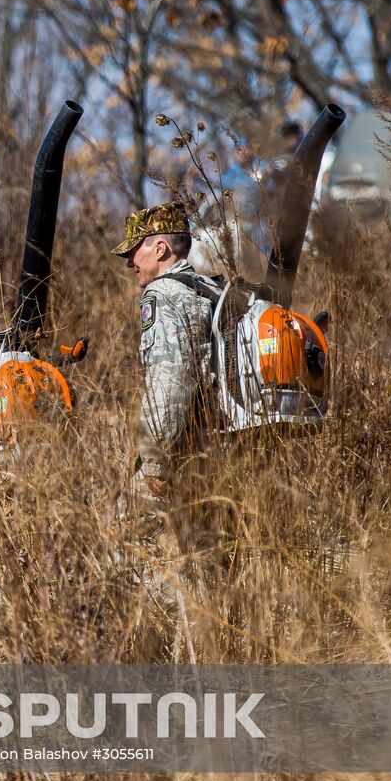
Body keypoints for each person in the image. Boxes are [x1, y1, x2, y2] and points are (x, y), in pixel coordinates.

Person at [111, 202, 223, 551]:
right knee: (201, 550)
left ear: (160, 249)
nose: (130, 262)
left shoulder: (162, 296)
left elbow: (169, 380)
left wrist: (155, 461)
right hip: (220, 451)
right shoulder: (211, 289)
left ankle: (162, 608)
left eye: (134, 251)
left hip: (183, 453)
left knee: (122, 537)